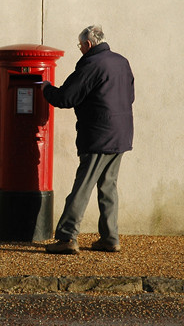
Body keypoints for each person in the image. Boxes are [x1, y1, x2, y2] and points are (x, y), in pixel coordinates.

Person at [41, 25, 135, 254]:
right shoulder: (121, 61)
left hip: (98, 135)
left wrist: (45, 88)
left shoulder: (91, 64)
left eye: (80, 45)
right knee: (109, 187)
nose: (80, 49)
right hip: (121, 134)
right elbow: (130, 95)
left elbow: (67, 97)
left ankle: (67, 237)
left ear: (88, 44)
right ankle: (110, 238)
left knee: (82, 188)